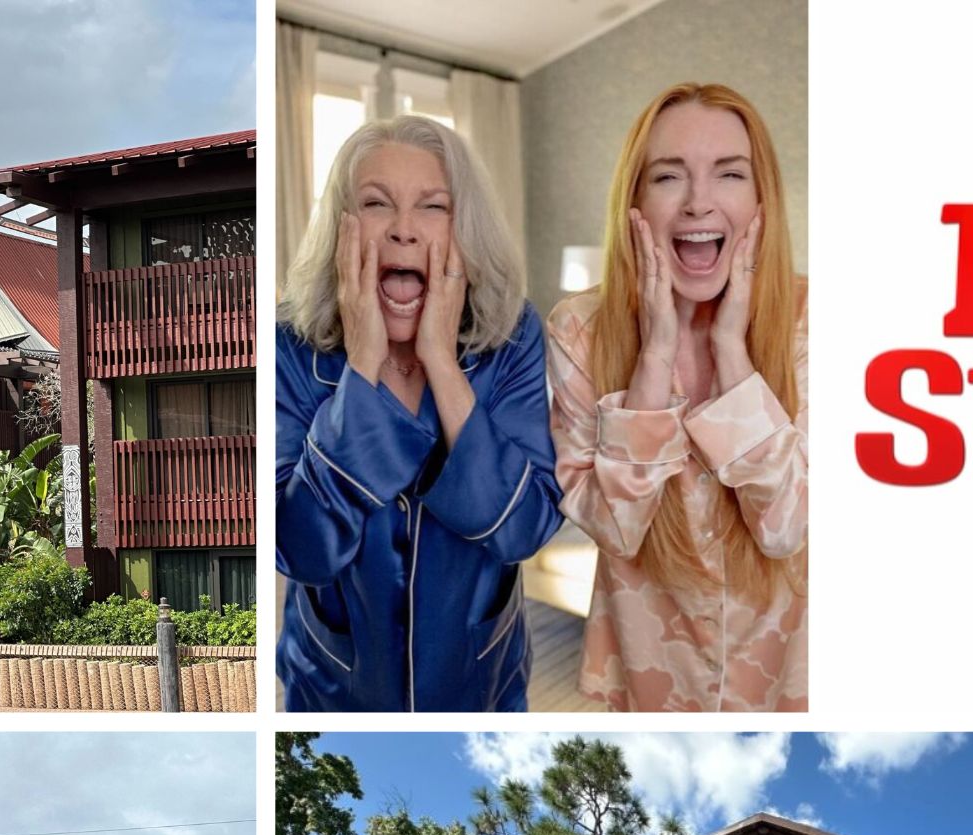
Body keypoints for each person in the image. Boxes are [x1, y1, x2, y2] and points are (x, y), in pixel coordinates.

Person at [277, 114, 563, 711]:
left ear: (464, 229)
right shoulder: (288, 345)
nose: (404, 230)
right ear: (342, 226)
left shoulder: (514, 334)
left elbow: (524, 529)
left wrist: (441, 361)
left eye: (433, 207)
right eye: (376, 203)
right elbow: (302, 549)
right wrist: (363, 365)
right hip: (335, 685)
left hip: (480, 679)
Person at [548, 82, 807, 711]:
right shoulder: (577, 330)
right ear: (635, 201)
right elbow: (615, 530)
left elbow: (786, 529)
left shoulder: (815, 319)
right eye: (668, 176)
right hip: (650, 669)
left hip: (785, 669)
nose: (698, 202)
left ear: (762, 199)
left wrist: (731, 354)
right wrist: (655, 356)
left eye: (729, 174)